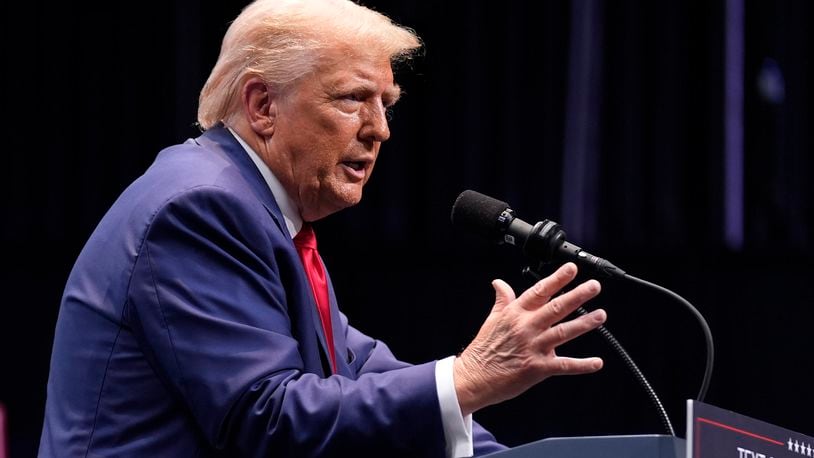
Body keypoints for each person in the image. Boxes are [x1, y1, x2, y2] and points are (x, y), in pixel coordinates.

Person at [38, 0, 608, 456]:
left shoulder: (263, 213)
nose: (379, 130)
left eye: (386, 104)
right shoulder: (202, 209)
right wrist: (467, 378)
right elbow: (267, 417)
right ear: (262, 105)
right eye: (354, 99)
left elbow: (357, 371)